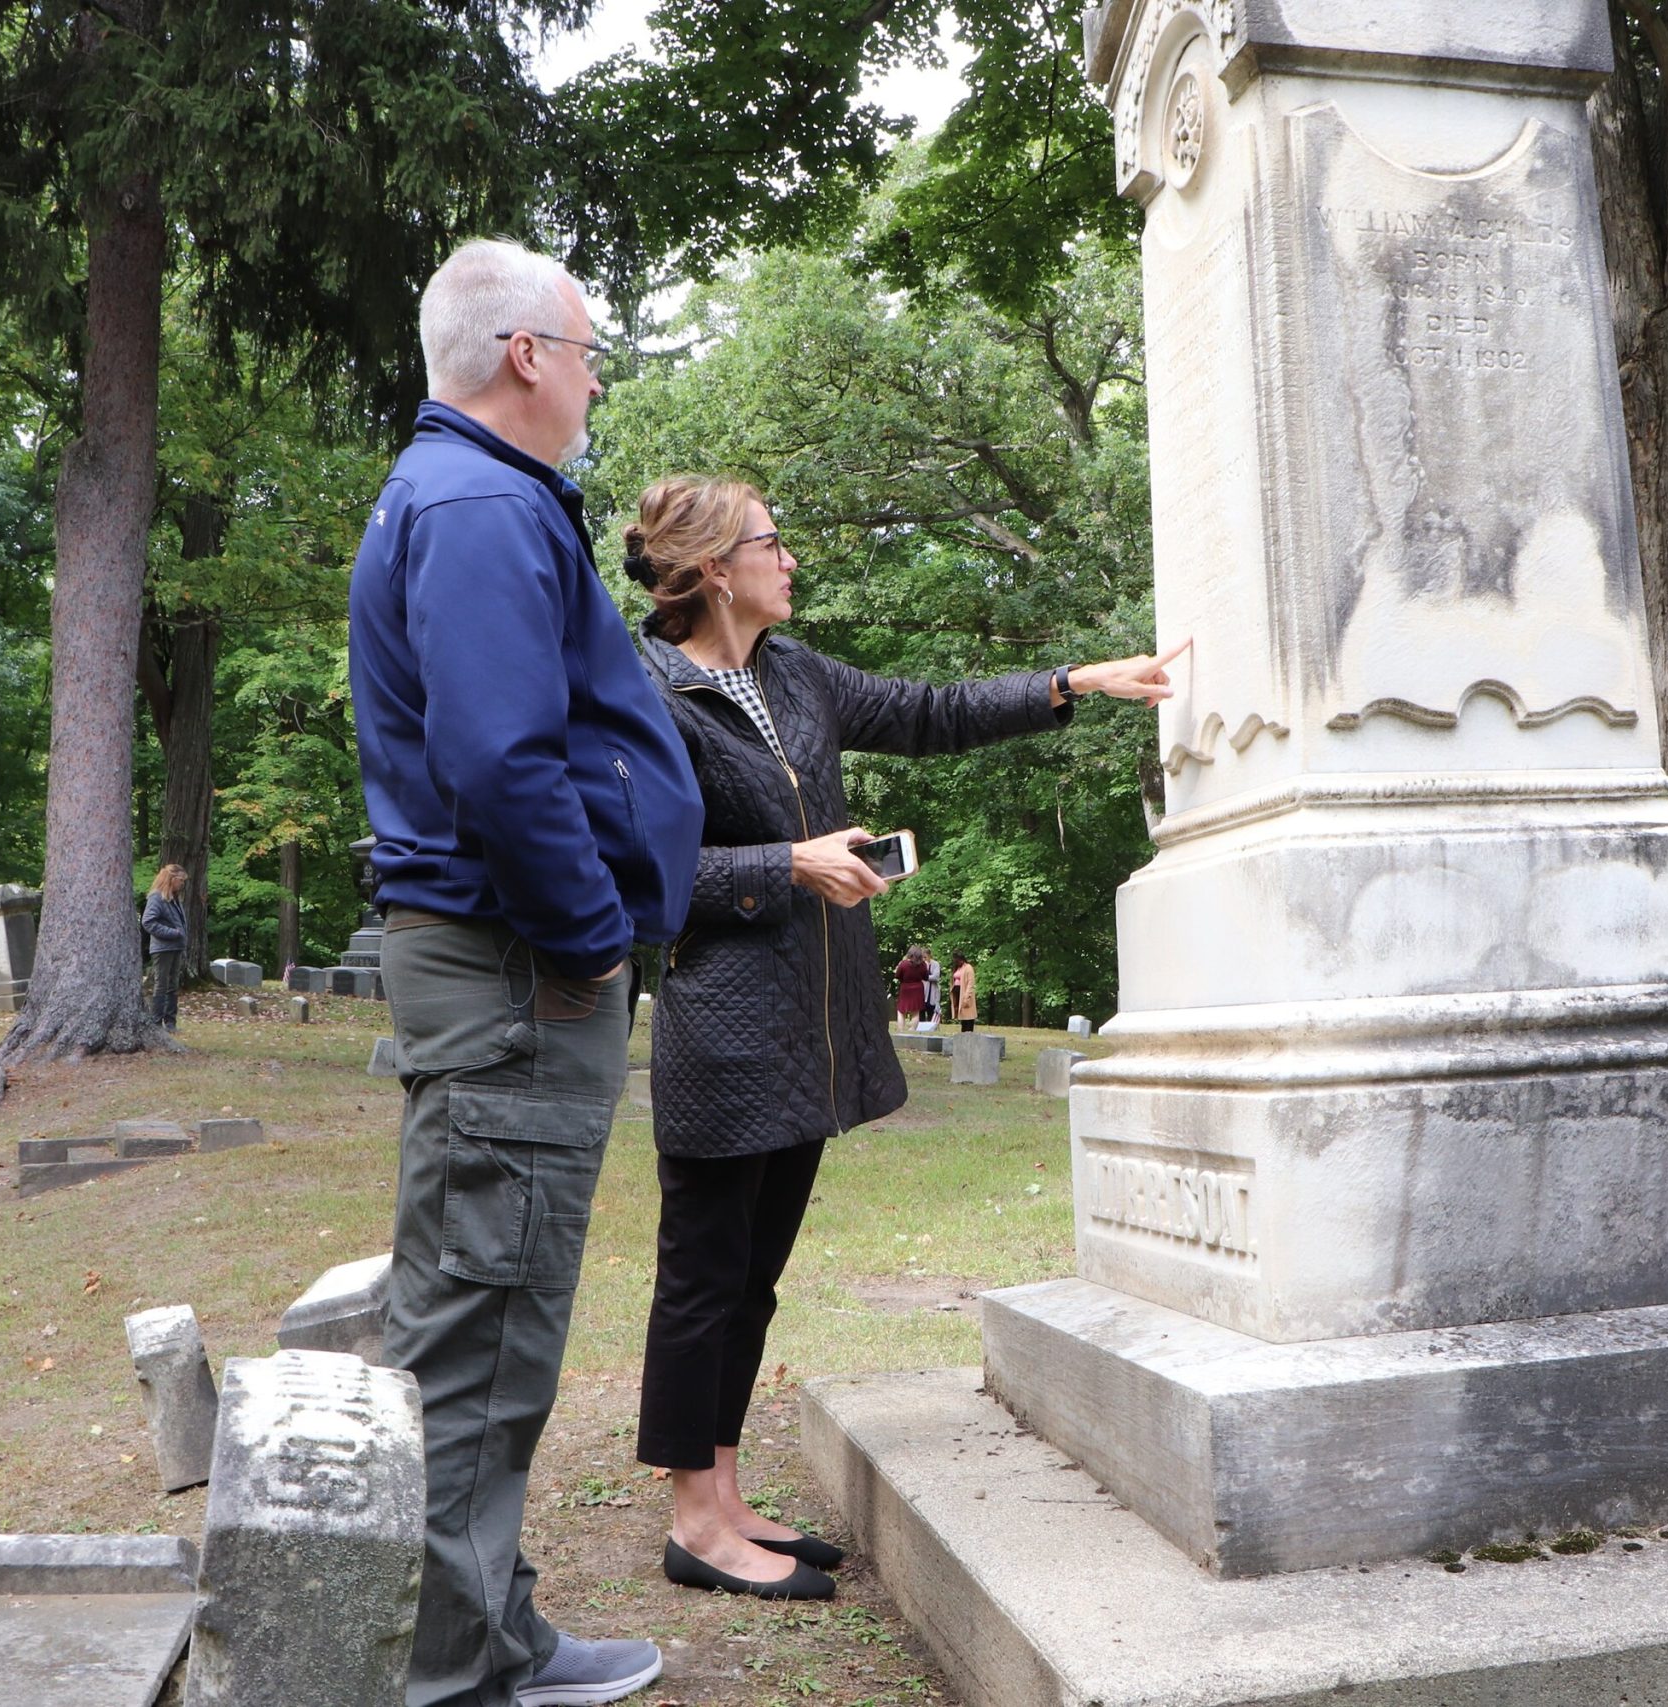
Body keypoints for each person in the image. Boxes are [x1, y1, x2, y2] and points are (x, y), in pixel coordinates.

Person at [624, 472, 1186, 1599]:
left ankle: (725, 1493)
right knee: (703, 1277)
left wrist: (1072, 682)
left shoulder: (793, 673)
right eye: (772, 543)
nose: (791, 560)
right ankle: (693, 1521)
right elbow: (637, 876)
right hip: (724, 1034)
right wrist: (789, 863)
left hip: (810, 1030)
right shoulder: (644, 694)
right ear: (712, 568)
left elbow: (930, 712)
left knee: (755, 1281)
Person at [347, 240, 704, 1707]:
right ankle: (451, 1671)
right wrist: (590, 937)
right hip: (516, 974)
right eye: (588, 344)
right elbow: (501, 758)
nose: (599, 370)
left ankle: (485, 1632)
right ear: (522, 356)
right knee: (482, 1325)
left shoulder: (463, 495)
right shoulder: (486, 501)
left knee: (484, 1320)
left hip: (501, 969)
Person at [141, 865, 187, 1029]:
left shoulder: (174, 899)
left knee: (173, 984)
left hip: (176, 947)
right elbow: (148, 921)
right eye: (180, 880)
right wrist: (172, 933)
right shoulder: (156, 898)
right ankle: (156, 1022)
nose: (182, 884)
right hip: (163, 947)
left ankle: (170, 1022)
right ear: (171, 879)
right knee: (161, 984)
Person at [893, 945, 927, 1031]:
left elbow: (897, 975)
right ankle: (912, 1030)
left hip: (905, 988)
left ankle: (901, 1030)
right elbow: (926, 977)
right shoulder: (923, 965)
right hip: (918, 989)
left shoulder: (903, 964)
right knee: (916, 1011)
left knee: (901, 1011)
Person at [949, 952, 977, 1032]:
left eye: (957, 960)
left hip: (965, 994)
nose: (957, 962)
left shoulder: (968, 967)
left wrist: (966, 996)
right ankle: (963, 1032)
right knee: (962, 1015)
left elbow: (970, 983)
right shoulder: (957, 968)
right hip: (958, 993)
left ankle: (969, 1033)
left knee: (968, 1016)